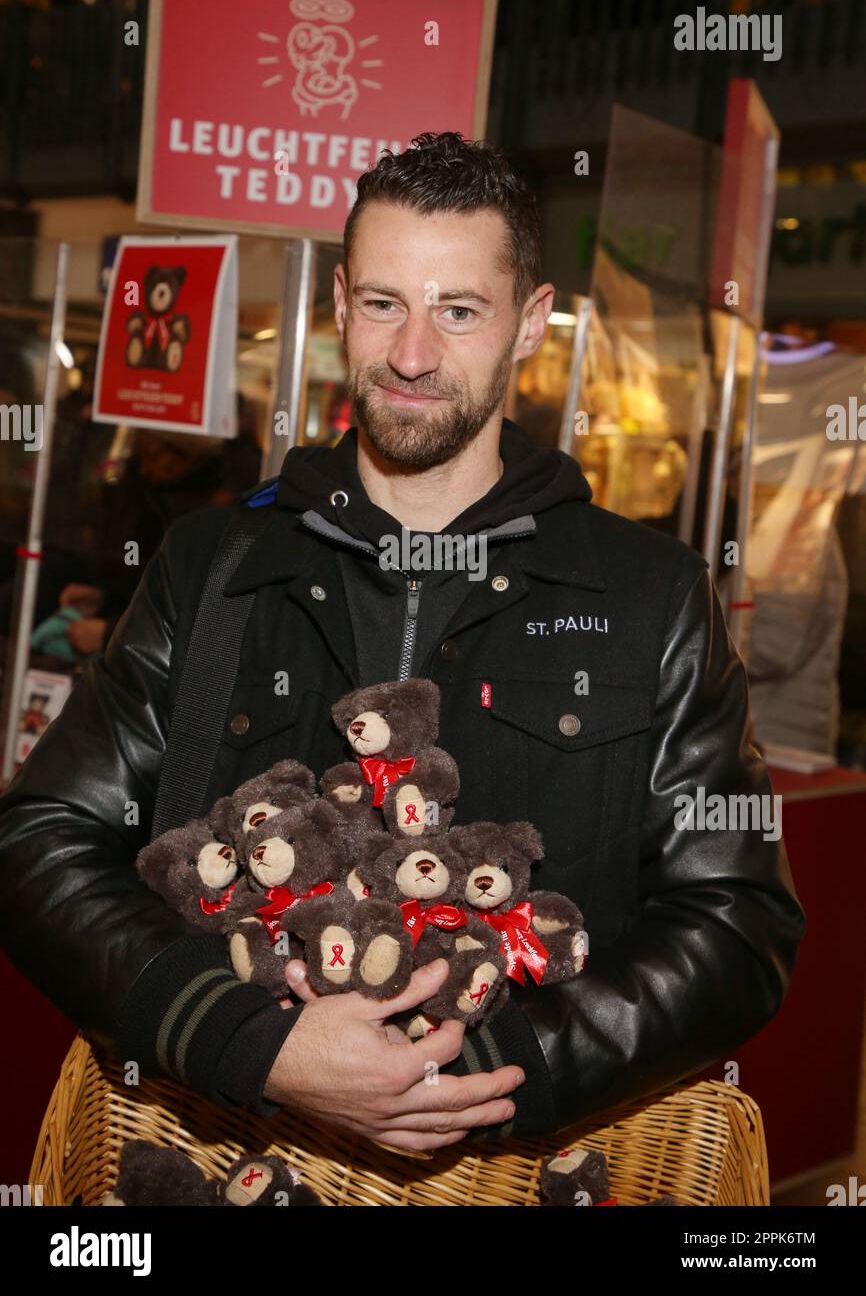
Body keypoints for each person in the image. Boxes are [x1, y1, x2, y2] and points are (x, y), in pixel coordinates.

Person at [0, 132, 805, 1155]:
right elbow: (39, 841)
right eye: (383, 304)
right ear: (338, 306)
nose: (412, 353)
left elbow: (735, 919)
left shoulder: (647, 594)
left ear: (529, 324)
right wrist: (254, 1044)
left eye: (457, 311)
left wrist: (480, 1071)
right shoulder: (214, 564)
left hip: (519, 1174)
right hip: (226, 1157)